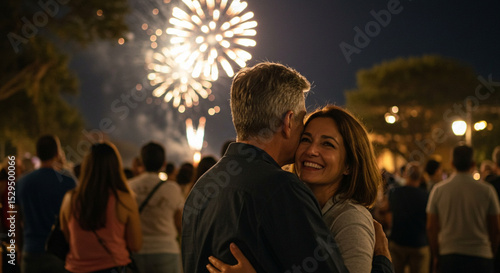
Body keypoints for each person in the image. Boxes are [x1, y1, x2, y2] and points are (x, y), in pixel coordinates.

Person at [182, 62, 393, 273]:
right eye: (303, 124)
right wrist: (382, 261)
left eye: (327, 144)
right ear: (289, 121)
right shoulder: (280, 188)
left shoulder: (203, 186)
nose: (310, 149)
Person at [207, 105, 393, 273]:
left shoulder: (350, 218)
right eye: (306, 139)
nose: (311, 150)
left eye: (327, 144)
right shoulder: (297, 207)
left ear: (349, 165)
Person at [60, 142, 142, 272]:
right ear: (115, 167)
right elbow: (135, 244)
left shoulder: (70, 199)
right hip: (113, 267)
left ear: (86, 167)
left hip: (77, 268)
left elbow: (67, 237)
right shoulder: (124, 200)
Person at [426, 145, 500, 273]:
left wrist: (436, 255)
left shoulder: (438, 190)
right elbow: (496, 228)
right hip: (481, 256)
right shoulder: (487, 191)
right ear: (473, 164)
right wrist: (490, 251)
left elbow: (431, 227)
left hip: (449, 255)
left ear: (452, 163)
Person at [17, 135, 76, 273]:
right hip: (59, 253)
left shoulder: (22, 182)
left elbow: (15, 220)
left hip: (30, 252)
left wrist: (19, 249)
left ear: (37, 154)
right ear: (57, 153)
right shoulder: (68, 182)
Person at [129, 142, 184, 273]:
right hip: (166, 250)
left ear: (141, 162)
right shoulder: (172, 188)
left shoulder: (129, 187)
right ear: (164, 163)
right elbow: (179, 223)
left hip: (136, 251)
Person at [388, 162, 429, 273]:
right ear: (420, 177)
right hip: (419, 244)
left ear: (405, 174)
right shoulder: (426, 196)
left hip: (398, 243)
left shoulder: (394, 192)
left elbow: (384, 211)